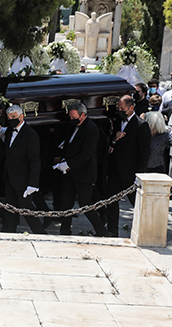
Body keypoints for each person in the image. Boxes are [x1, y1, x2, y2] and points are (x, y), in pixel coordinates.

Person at [52, 102, 108, 236]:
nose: (71, 120)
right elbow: (69, 145)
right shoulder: (73, 126)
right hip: (69, 173)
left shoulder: (91, 129)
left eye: (73, 117)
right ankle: (64, 230)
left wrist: (68, 164)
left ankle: (101, 231)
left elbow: (86, 154)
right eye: (70, 117)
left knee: (85, 205)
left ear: (83, 115)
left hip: (84, 173)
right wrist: (62, 159)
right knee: (66, 204)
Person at [0, 105, 47, 234]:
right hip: (10, 177)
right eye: (9, 118)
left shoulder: (30, 135)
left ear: (21, 116)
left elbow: (35, 161)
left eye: (13, 117)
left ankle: (40, 234)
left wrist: (32, 184)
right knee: (10, 209)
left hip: (23, 180)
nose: (11, 119)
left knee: (27, 211)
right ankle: (8, 233)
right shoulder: (8, 132)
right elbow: (5, 153)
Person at [107, 95, 151, 236]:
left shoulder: (141, 125)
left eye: (122, 108)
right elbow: (112, 143)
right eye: (118, 108)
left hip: (130, 172)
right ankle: (112, 231)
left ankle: (143, 231)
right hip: (116, 169)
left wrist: (139, 175)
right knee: (111, 201)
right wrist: (115, 138)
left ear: (131, 108)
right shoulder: (117, 121)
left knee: (136, 203)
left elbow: (145, 153)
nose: (119, 111)